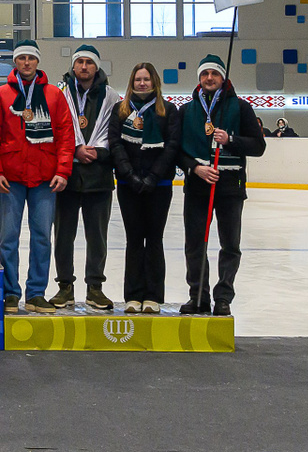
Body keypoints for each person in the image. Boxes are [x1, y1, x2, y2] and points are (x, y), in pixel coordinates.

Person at [0, 41, 73, 313]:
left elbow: (65, 136)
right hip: (10, 178)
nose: (26, 63)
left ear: (38, 61)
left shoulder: (54, 95)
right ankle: (10, 293)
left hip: (44, 178)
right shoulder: (1, 94)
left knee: (42, 238)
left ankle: (36, 293)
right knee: (8, 238)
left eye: (31, 58)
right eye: (21, 58)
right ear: (15, 62)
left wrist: (62, 171)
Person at [178, 54, 265, 317]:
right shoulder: (187, 110)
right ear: (199, 78)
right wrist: (195, 167)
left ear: (223, 77)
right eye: (205, 74)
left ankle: (223, 297)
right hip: (197, 187)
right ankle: (199, 296)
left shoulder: (240, 107)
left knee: (230, 245)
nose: (209, 78)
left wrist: (231, 140)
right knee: (195, 244)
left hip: (230, 188)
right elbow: (176, 150)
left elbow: (258, 146)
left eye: (214, 73)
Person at [109, 62, 181, 313]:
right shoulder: (120, 110)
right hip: (128, 185)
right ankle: (133, 295)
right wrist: (129, 174)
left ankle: (152, 296)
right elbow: (115, 144)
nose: (142, 83)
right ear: (132, 83)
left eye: (146, 79)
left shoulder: (168, 110)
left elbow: (172, 146)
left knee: (154, 239)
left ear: (154, 82)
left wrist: (153, 176)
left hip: (159, 186)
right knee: (134, 239)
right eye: (138, 79)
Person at [56, 43, 117, 310]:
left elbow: (116, 134)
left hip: (99, 177)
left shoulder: (112, 97)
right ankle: (64, 287)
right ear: (73, 66)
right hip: (66, 177)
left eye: (89, 62)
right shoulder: (60, 94)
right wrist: (75, 151)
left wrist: (99, 153)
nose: (84, 66)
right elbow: (55, 130)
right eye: (80, 62)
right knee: (63, 237)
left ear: (97, 67)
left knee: (97, 237)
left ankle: (95, 288)